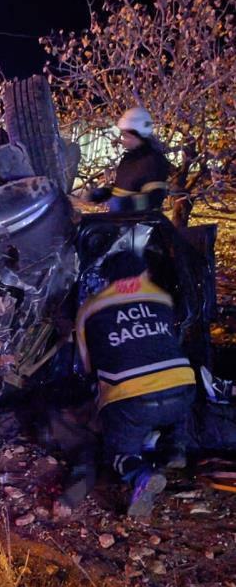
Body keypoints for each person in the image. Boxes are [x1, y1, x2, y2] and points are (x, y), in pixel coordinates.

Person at [74, 250, 196, 517]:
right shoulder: (162, 298)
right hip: (183, 386)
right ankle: (176, 447)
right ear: (144, 273)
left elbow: (87, 365)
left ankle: (139, 474)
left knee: (118, 450)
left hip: (131, 400)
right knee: (176, 399)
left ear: (107, 279)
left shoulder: (91, 308)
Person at [90, 107, 170, 214]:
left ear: (139, 136)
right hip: (123, 220)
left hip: (141, 225)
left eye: (126, 136)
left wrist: (124, 204)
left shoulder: (154, 162)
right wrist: (105, 193)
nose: (122, 140)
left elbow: (155, 198)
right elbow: (123, 187)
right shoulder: (129, 158)